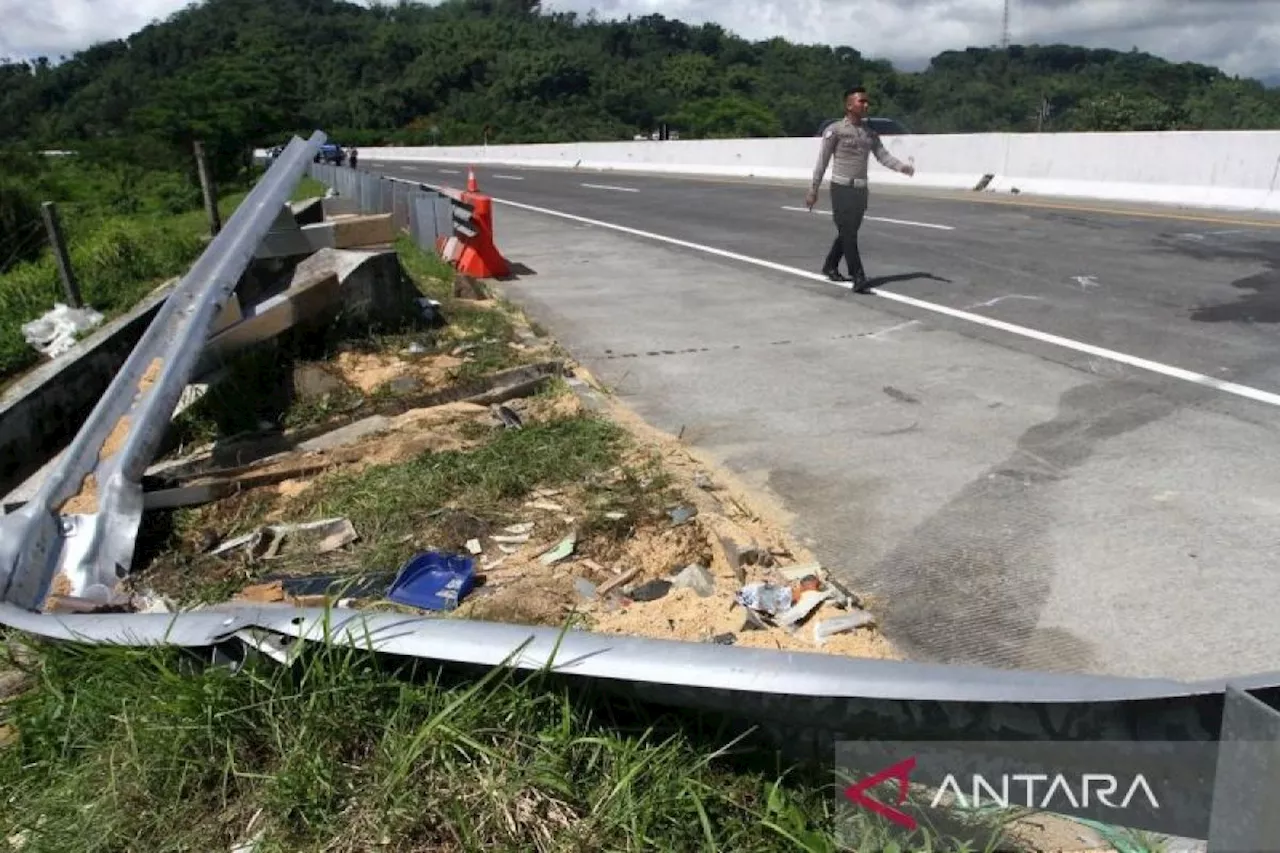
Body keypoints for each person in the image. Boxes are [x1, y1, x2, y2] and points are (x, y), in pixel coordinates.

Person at [806, 86, 915, 292]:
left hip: (860, 190)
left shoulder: (870, 133)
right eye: (861, 101)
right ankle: (859, 277)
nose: (866, 105)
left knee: (848, 232)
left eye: (867, 102)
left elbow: (883, 156)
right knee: (849, 233)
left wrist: (902, 167)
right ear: (849, 105)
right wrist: (813, 189)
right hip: (841, 188)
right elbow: (822, 161)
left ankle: (830, 265)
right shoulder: (835, 130)